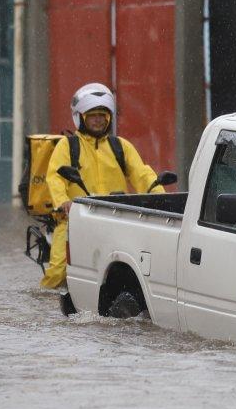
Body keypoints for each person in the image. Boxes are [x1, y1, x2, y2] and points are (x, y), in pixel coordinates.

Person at [40, 83, 164, 290]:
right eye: (92, 115)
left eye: (102, 115)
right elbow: (54, 177)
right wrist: (63, 202)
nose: (98, 120)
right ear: (80, 117)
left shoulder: (120, 146)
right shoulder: (68, 146)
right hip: (75, 219)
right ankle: (45, 306)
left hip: (115, 219)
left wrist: (160, 197)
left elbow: (142, 174)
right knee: (58, 271)